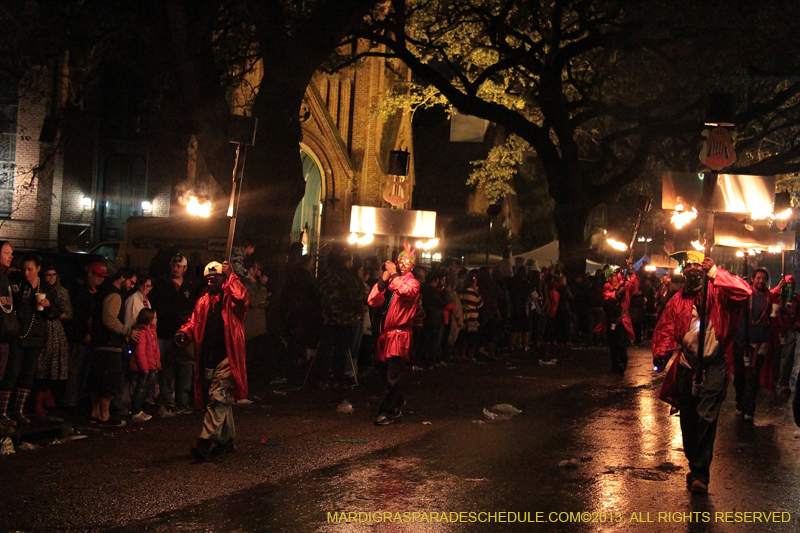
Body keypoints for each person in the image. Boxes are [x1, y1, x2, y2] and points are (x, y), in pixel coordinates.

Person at [652, 255, 751, 494]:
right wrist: (662, 355)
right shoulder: (677, 300)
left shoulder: (720, 295)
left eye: (698, 266)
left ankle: (700, 474)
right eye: (690, 266)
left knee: (706, 416)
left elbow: (744, 291)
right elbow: (666, 328)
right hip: (687, 366)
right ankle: (695, 463)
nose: (694, 270)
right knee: (689, 420)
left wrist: (716, 273)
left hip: (714, 366)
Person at [176, 261, 248, 461]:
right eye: (208, 279)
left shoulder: (231, 300)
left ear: (223, 279)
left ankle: (204, 441)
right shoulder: (202, 302)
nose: (211, 282)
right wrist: (184, 332)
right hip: (208, 357)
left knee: (219, 398)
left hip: (228, 357)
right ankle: (226, 441)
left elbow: (242, 298)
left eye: (215, 278)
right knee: (218, 399)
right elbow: (194, 321)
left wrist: (232, 275)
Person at [0, 253, 60, 426]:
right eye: (24, 269)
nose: (27, 273)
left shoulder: (46, 288)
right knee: (12, 372)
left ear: (38, 269)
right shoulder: (18, 284)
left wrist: (49, 306)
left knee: (28, 374)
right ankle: (3, 412)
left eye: (30, 269)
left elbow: (53, 313)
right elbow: (11, 306)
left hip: (36, 336)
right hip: (19, 336)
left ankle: (18, 410)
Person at [367, 244, 420, 425]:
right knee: (384, 372)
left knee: (392, 374)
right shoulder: (391, 281)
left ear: (413, 265)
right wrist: (383, 280)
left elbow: (405, 291)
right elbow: (373, 301)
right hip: (385, 334)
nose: (404, 265)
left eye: (408, 263)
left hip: (399, 335)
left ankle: (388, 412)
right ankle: (397, 400)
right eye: (401, 262)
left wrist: (395, 276)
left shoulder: (413, 283)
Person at [89, 268, 139, 427]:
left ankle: (95, 413)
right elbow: (110, 320)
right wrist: (127, 332)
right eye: (131, 282)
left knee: (98, 380)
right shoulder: (114, 295)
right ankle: (105, 415)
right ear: (123, 277)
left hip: (100, 343)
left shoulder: (104, 292)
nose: (132, 286)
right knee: (108, 381)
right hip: (109, 345)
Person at [149, 254, 197, 417]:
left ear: (184, 268)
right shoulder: (162, 285)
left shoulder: (189, 287)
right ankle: (167, 400)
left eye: (179, 266)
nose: (175, 269)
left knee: (184, 368)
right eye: (173, 266)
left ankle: (182, 402)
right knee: (166, 368)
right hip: (165, 332)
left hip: (183, 335)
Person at [732, 267, 778, 422]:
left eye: (764, 279)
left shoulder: (769, 298)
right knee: (739, 377)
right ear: (753, 279)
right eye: (758, 278)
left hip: (759, 342)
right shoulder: (745, 293)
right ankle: (740, 404)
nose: (761, 281)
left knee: (753, 377)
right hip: (741, 340)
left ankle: (749, 409)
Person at [62, 261, 108, 410]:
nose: (102, 279)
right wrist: (84, 333)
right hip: (80, 337)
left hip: (90, 337)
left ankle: (79, 398)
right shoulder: (80, 292)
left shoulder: (96, 292)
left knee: (84, 370)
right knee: (75, 369)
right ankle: (70, 401)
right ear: (90, 274)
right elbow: (79, 316)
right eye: (99, 276)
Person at [33, 265, 73, 418]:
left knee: (53, 368)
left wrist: (53, 311)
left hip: (55, 331)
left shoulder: (61, 292)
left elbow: (68, 313)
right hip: (41, 329)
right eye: (47, 275)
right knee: (41, 367)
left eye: (53, 275)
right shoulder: (39, 290)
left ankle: (47, 398)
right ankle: (41, 400)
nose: (50, 278)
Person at [603, 265, 639, 374]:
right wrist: (618, 293)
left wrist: (632, 273)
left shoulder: (626, 285)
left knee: (622, 343)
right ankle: (614, 364)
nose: (614, 278)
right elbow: (608, 298)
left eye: (615, 275)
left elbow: (634, 286)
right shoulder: (606, 287)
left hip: (623, 320)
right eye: (612, 276)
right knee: (612, 344)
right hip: (611, 320)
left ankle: (622, 363)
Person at [130, 308, 160, 423]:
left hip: (149, 366)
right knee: (140, 388)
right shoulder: (142, 332)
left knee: (144, 388)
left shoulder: (152, 331)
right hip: (143, 367)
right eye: (155, 317)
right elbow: (140, 351)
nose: (156, 320)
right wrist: (144, 367)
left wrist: (156, 364)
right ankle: (136, 411)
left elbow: (155, 350)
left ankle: (139, 409)